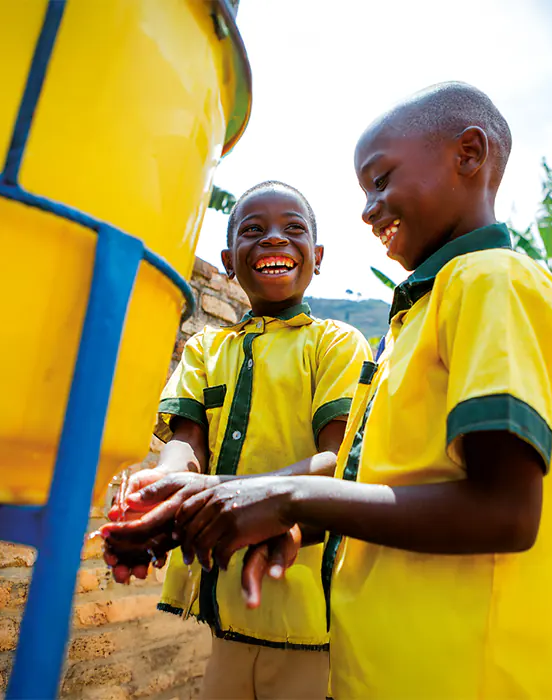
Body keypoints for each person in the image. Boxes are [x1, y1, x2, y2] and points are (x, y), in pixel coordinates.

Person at [104, 83, 552, 699]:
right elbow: (377, 481)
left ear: (469, 154)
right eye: (365, 191)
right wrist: (291, 523)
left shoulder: (493, 284)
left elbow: (505, 512)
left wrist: (291, 498)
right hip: (384, 673)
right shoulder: (415, 318)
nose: (369, 208)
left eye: (381, 179)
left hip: (463, 677)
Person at [104, 180, 372, 700]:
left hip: (308, 611)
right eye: (253, 230)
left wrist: (227, 495)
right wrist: (164, 482)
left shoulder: (335, 344)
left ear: (317, 256)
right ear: (228, 261)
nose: (274, 240)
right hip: (222, 604)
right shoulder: (206, 348)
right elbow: (186, 442)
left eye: (293, 229)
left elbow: (333, 460)